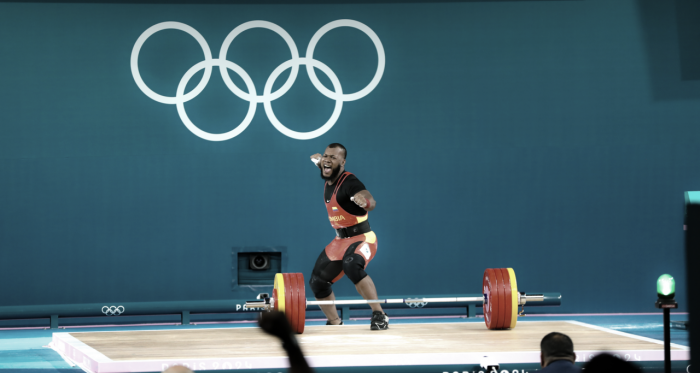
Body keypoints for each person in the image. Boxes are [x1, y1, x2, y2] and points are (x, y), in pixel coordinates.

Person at [308, 143, 389, 330]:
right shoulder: (327, 169)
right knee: (317, 282)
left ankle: (379, 315)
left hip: (362, 238)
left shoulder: (350, 183)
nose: (327, 160)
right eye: (326, 156)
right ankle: (335, 323)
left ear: (343, 162)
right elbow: (320, 160)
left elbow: (370, 200)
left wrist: (366, 201)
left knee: (352, 265)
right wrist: (320, 160)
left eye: (333, 158)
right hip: (340, 241)